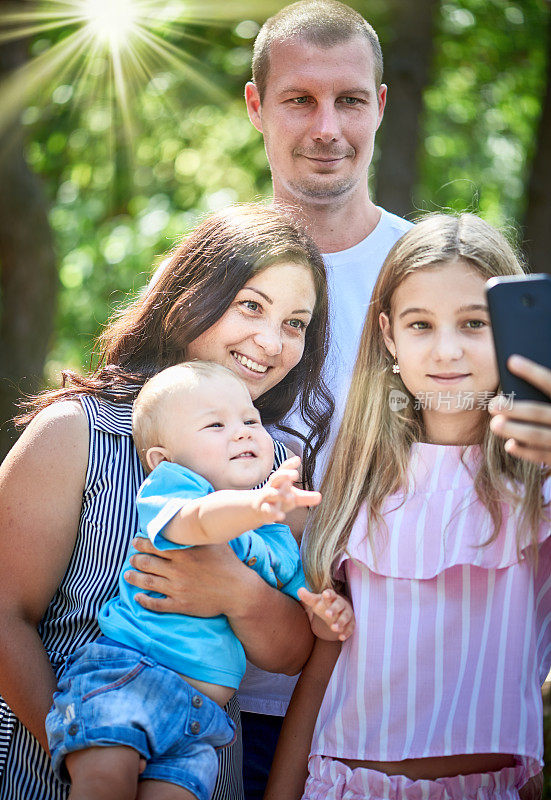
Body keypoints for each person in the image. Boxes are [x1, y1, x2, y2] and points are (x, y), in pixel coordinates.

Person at [0, 203, 333, 800]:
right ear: (192, 296)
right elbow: (2, 617)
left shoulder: (264, 473)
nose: (271, 340)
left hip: (193, 768)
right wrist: (95, 753)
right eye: (250, 306)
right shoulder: (79, 431)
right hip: (63, 761)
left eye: (295, 323)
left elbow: (290, 651)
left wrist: (236, 590)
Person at [265, 213, 551, 800]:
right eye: (421, 324)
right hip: (341, 785)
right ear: (389, 335)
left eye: (474, 323)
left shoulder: (539, 491)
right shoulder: (360, 482)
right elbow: (323, 670)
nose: (447, 350)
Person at [45, 361, 353, 800]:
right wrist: (257, 506)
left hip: (199, 719)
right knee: (103, 783)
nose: (243, 432)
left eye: (250, 420)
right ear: (163, 458)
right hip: (128, 678)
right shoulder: (174, 488)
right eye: (215, 425)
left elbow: (299, 625)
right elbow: (198, 526)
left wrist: (330, 613)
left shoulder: (276, 536)